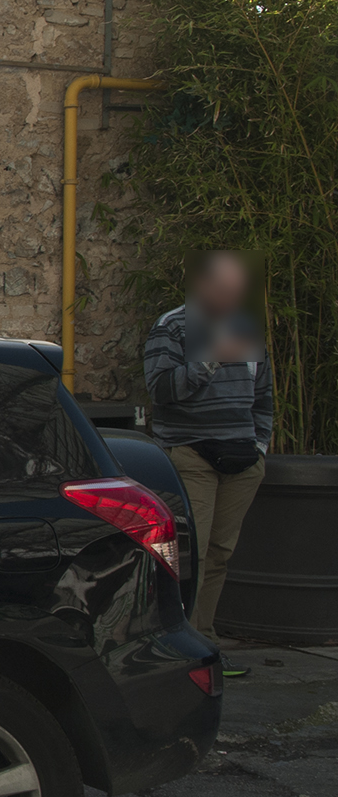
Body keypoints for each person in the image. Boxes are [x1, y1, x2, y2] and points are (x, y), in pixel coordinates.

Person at [145, 251, 274, 675]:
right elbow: (161, 390)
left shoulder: (248, 328)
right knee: (191, 553)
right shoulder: (174, 326)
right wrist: (210, 358)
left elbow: (263, 395)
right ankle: (183, 649)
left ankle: (207, 643)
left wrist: (260, 445)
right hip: (191, 451)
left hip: (241, 456)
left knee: (219, 551)